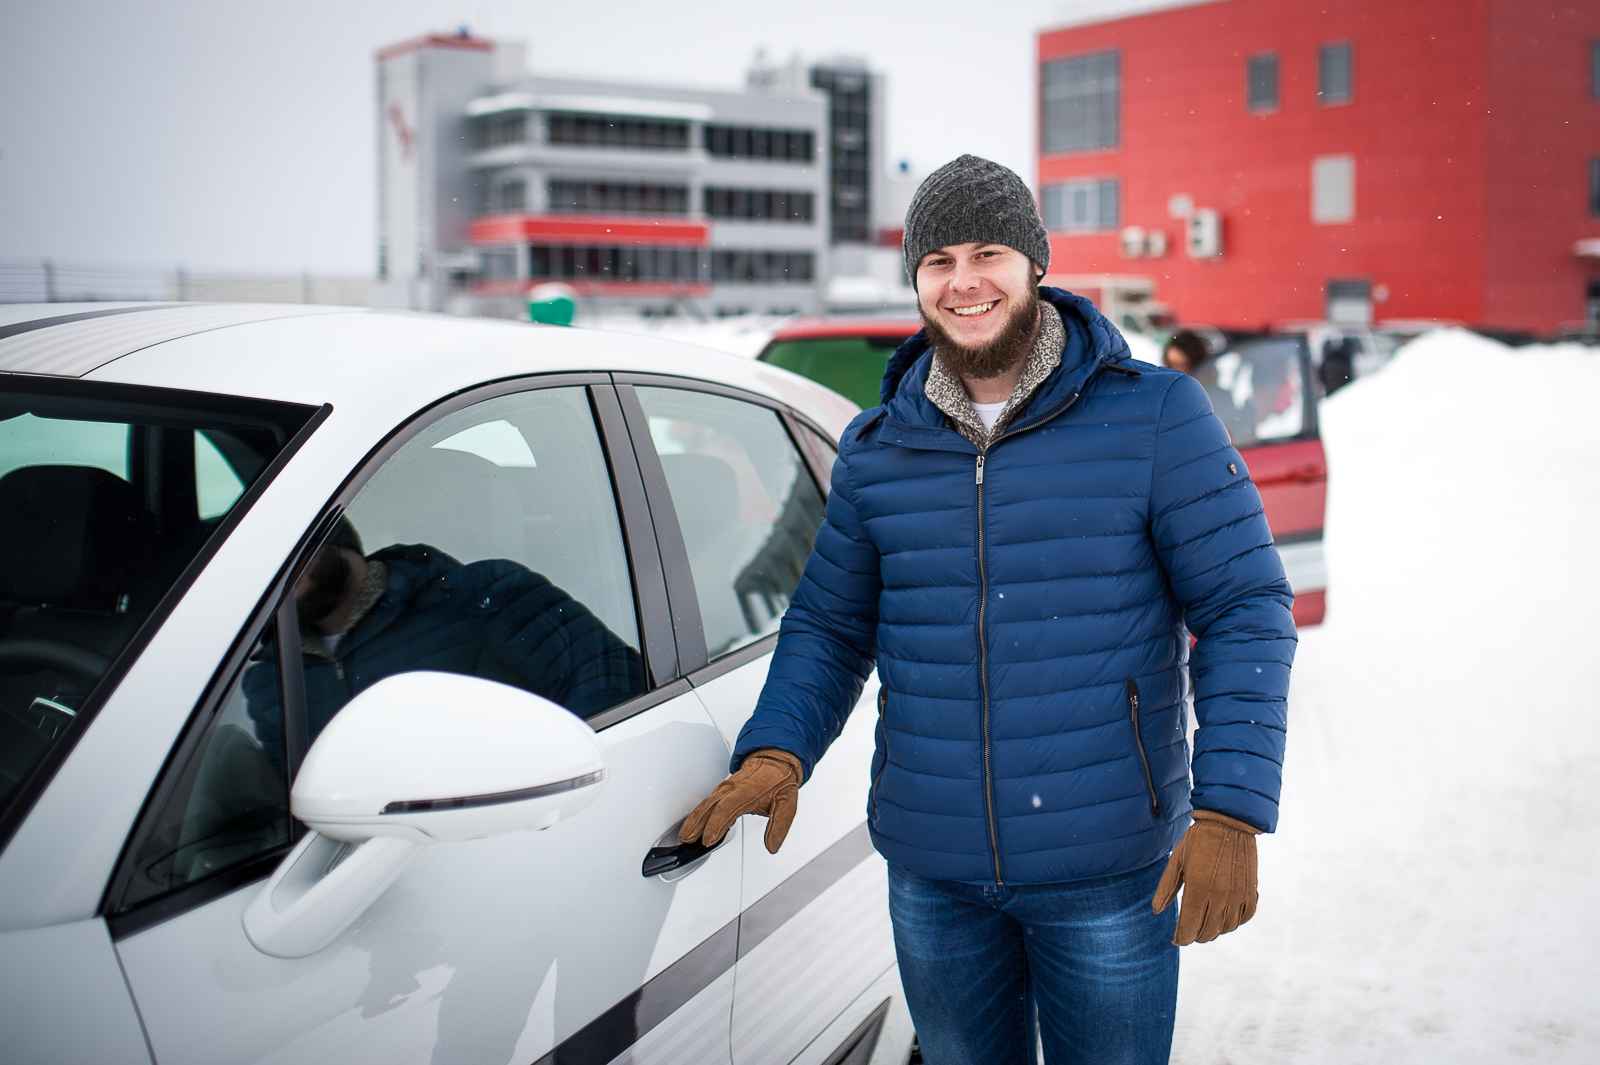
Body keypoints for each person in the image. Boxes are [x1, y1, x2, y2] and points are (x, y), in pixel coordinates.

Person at [679, 155, 1295, 1064]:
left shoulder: (1156, 415)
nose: (964, 281)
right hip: (934, 874)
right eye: (938, 261)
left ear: (1035, 263)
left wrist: (1232, 810)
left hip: (1109, 871)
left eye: (988, 252)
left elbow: (1245, 604)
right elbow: (830, 624)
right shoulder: (879, 447)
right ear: (917, 281)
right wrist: (779, 746)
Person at [245, 518, 644, 767]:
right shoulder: (268, 683)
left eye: (285, 540)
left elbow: (613, 677)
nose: (276, 563)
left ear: (331, 533)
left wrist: (549, 774)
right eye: (255, 558)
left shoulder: (481, 596)